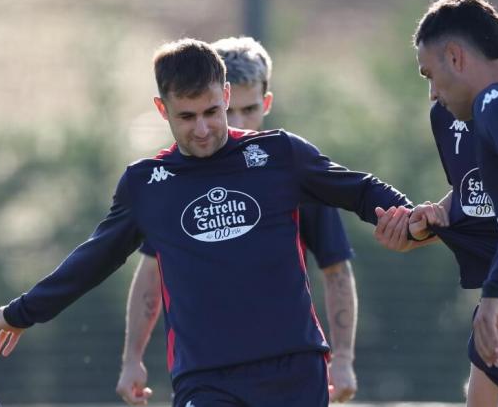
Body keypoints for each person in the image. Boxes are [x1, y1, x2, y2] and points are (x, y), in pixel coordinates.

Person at [0, 38, 438, 407]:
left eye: (213, 111)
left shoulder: (279, 155)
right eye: (186, 116)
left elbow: (356, 188)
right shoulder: (147, 183)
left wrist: (409, 217)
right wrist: (23, 312)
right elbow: (95, 258)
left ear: (226, 95)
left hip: (293, 369)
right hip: (205, 378)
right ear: (162, 110)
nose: (203, 128)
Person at [116, 36, 358, 405]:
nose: (239, 122)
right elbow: (151, 271)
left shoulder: (291, 172)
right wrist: (132, 359)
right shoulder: (176, 181)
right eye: (230, 113)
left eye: (250, 109)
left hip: (284, 371)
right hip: (208, 375)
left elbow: (336, 270)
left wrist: (342, 359)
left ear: (267, 103)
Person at [380, 0, 498, 407]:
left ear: (456, 56)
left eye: (429, 74)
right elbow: (489, 193)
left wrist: (495, 293)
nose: (432, 93)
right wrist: (434, 218)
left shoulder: (497, 101)